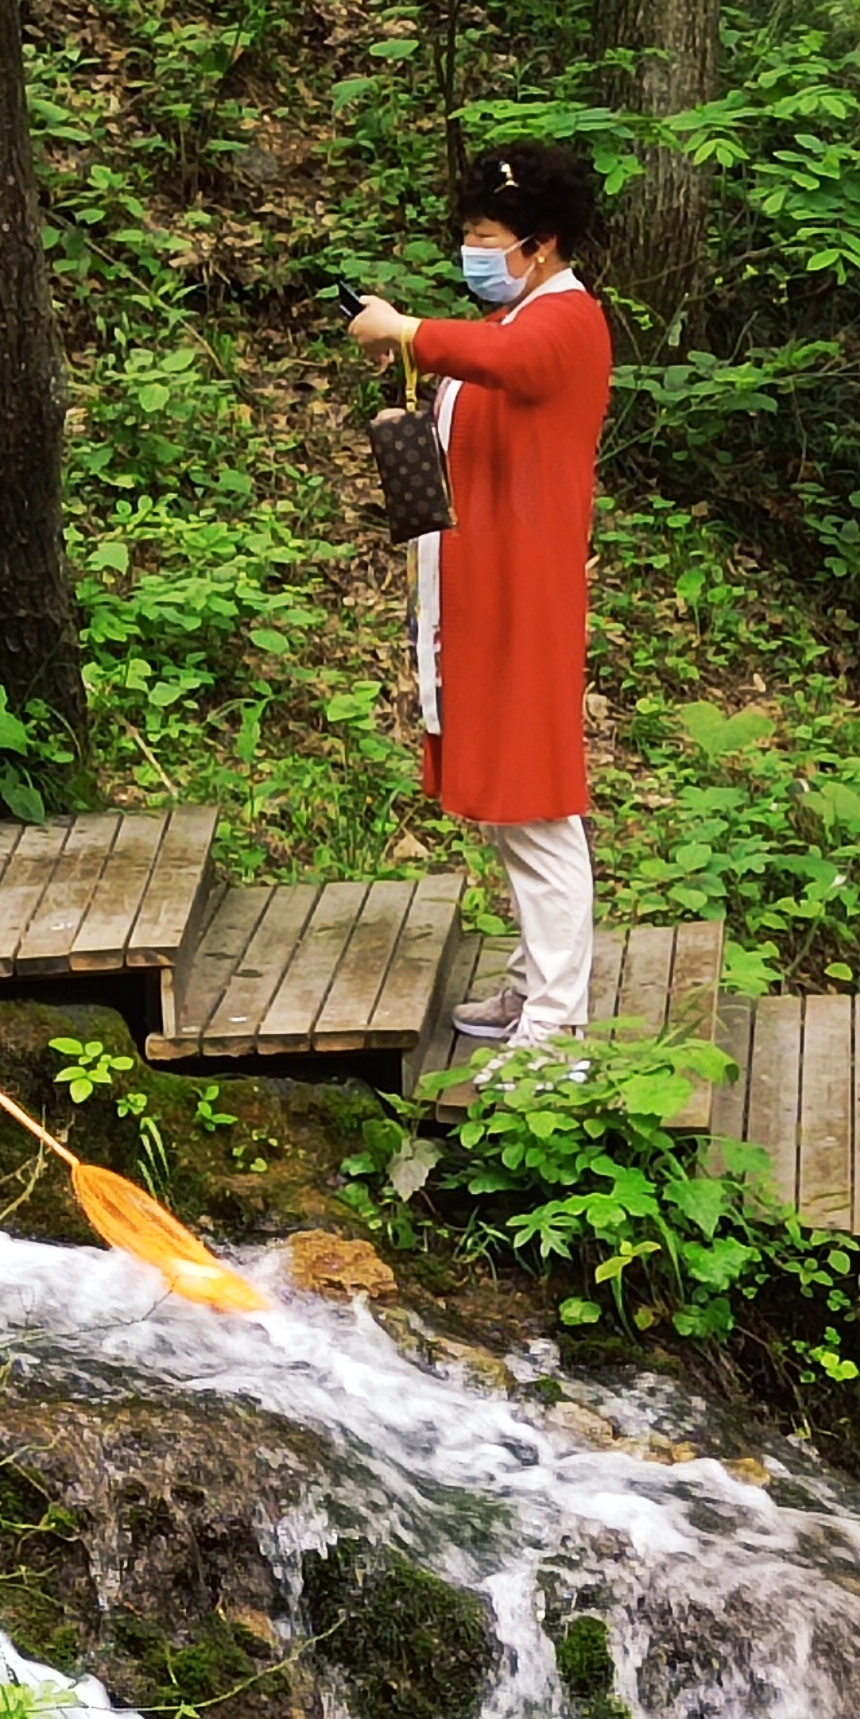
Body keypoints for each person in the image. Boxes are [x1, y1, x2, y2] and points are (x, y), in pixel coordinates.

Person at [346, 141, 614, 1050]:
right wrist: (415, 366)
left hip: (523, 593)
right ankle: (533, 983)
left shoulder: (567, 320)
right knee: (509, 803)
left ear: (538, 246)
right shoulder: (510, 324)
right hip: (483, 588)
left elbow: (520, 366)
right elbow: (483, 377)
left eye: (484, 236)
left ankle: (556, 1021)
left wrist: (409, 331)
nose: (473, 250)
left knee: (535, 805)